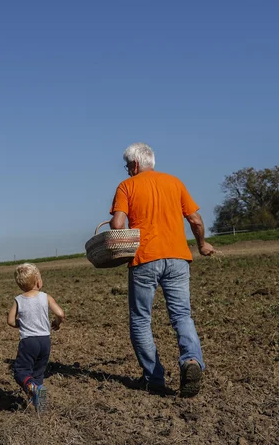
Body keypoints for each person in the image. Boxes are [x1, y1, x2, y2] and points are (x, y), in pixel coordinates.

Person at [109, 142, 215, 397]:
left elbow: (117, 223)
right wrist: (201, 245)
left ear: (135, 164)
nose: (127, 171)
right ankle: (191, 361)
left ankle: (154, 378)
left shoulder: (127, 186)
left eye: (127, 166)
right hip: (178, 258)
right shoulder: (174, 182)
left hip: (144, 259)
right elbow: (196, 220)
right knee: (181, 316)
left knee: (141, 319)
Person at [7, 263, 65, 412]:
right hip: (45, 341)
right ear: (38, 282)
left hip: (28, 341)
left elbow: (10, 321)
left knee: (20, 372)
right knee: (38, 374)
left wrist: (23, 324)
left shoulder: (18, 300)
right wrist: (57, 323)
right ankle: (42, 407)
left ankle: (33, 389)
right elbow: (60, 313)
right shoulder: (45, 297)